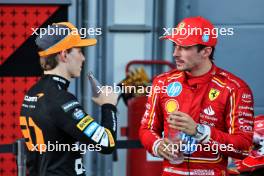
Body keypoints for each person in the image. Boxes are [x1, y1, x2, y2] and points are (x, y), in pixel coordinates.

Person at [139, 16, 254, 176]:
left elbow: (244, 148)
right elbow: (147, 129)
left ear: (206, 51)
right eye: (175, 46)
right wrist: (158, 145)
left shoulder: (234, 88)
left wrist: (200, 132)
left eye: (184, 48)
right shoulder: (162, 83)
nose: (175, 54)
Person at [19, 22, 118, 176]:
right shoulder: (61, 99)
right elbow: (107, 143)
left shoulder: (33, 92)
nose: (83, 58)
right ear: (64, 55)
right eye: (79, 51)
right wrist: (108, 106)